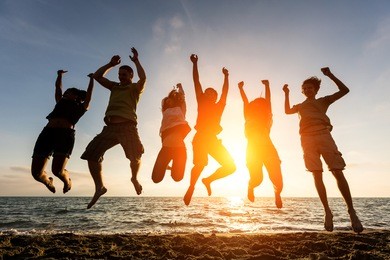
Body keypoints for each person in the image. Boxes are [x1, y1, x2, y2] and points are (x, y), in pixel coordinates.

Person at [282, 67, 363, 233]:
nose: (306, 90)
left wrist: (330, 75)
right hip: (306, 139)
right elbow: (286, 111)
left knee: (337, 171)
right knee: (316, 174)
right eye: (304, 88)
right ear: (302, 91)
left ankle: (352, 212)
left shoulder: (323, 101)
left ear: (315, 89)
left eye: (309, 88)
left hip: (323, 135)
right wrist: (286, 93)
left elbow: (344, 90)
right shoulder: (299, 106)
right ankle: (327, 211)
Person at [81, 47, 146, 209]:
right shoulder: (114, 87)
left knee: (135, 156)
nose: (121, 77)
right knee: (91, 154)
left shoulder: (134, 88)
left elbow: (143, 78)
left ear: (131, 76)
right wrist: (110, 64)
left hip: (128, 127)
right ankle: (99, 187)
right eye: (119, 75)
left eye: (124, 75)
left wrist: (136, 61)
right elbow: (97, 76)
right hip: (109, 128)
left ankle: (134, 178)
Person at [183, 54, 236, 206]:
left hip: (213, 139)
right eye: (207, 92)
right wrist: (195, 63)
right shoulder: (201, 102)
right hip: (200, 137)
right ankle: (191, 187)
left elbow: (225, 91)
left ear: (216, 97)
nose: (209, 94)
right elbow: (196, 81)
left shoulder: (220, 106)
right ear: (204, 95)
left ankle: (208, 180)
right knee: (200, 164)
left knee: (231, 166)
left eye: (213, 93)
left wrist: (226, 76)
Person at [31, 70, 94, 194]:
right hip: (47, 133)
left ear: (76, 96)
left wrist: (92, 80)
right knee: (36, 174)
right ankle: (48, 181)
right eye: (65, 92)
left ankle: (67, 181)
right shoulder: (60, 101)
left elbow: (89, 95)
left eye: (68, 92)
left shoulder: (81, 107)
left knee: (57, 171)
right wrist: (59, 75)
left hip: (65, 136)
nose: (65, 93)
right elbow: (58, 88)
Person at [238, 80, 283, 208]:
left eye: (260, 104)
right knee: (257, 179)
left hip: (268, 148)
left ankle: (277, 193)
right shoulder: (248, 115)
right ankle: (250, 186)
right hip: (252, 150)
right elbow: (245, 101)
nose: (257, 105)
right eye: (255, 104)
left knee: (278, 182)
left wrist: (267, 86)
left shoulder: (267, 116)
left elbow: (268, 101)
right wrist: (241, 89)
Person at [152, 83, 191, 183]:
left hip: (180, 149)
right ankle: (166, 164)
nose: (167, 101)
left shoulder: (181, 110)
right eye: (166, 101)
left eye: (169, 99)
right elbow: (164, 103)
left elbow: (182, 98)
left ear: (174, 100)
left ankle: (171, 164)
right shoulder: (165, 112)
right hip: (166, 149)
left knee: (177, 178)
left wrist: (180, 88)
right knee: (156, 179)